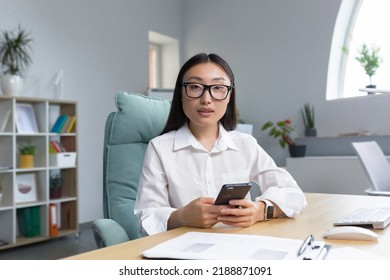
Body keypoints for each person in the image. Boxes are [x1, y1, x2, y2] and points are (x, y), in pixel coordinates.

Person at [134, 53, 307, 236]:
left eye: (217, 88)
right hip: (184, 250)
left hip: (239, 246)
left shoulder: (245, 145)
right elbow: (146, 215)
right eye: (194, 86)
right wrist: (182, 216)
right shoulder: (160, 148)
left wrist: (260, 210)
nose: (206, 99)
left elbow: (295, 196)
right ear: (180, 95)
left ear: (229, 96)